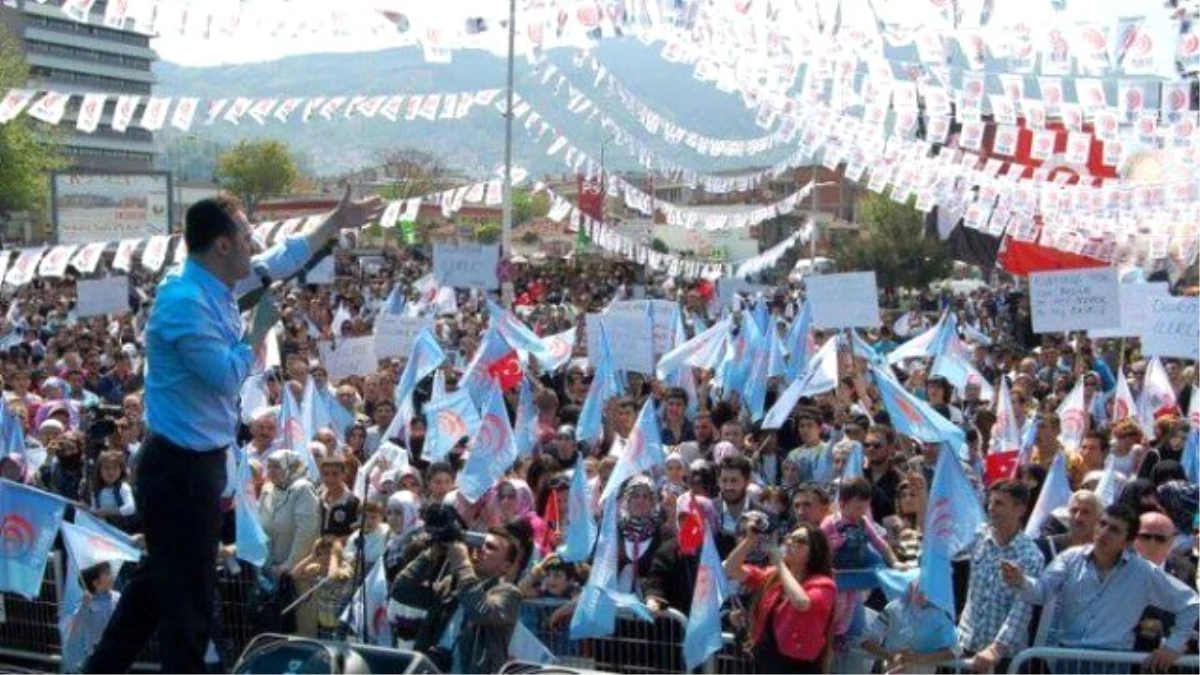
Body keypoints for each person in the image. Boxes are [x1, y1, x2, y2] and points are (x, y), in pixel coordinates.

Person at [84, 189, 381, 675]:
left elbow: (282, 259)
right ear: (222, 245)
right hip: (177, 471)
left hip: (195, 466)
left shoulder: (216, 285)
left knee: (157, 590)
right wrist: (257, 333)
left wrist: (335, 221)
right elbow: (224, 375)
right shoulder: (184, 301)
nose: (253, 241)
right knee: (192, 607)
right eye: (245, 234)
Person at [1001, 504, 1200, 670]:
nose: (1104, 532)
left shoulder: (1143, 571)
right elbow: (1042, 592)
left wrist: (1173, 646)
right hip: (1066, 660)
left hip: (1112, 663)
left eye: (1114, 529)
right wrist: (1021, 581)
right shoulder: (1070, 558)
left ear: (1128, 541)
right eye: (1102, 524)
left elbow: (1191, 603)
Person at [392, 526, 524, 675]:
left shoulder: (508, 593)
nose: (479, 549)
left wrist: (462, 562)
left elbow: (480, 611)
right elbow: (401, 590)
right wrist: (432, 553)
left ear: (505, 566)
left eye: (490, 547)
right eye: (479, 543)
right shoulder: (450, 585)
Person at [724, 523, 837, 675]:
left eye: (800, 541)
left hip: (798, 667)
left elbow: (801, 602)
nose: (790, 542)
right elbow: (730, 569)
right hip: (766, 660)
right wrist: (749, 540)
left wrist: (780, 563)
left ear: (814, 552)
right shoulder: (774, 576)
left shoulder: (824, 584)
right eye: (789, 538)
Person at [957, 480, 1045, 674]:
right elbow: (946, 547)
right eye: (990, 502)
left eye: (999, 503)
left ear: (1020, 510)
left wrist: (996, 649)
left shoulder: (1030, 555)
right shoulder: (977, 536)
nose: (991, 508)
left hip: (1005, 659)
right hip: (966, 646)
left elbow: (1022, 609)